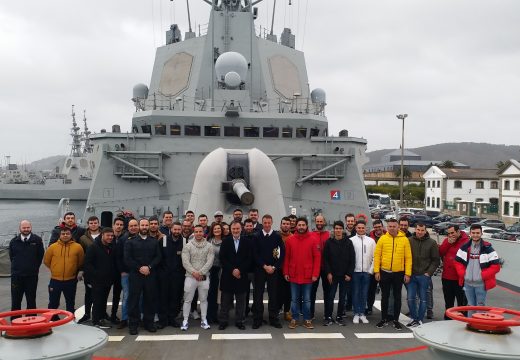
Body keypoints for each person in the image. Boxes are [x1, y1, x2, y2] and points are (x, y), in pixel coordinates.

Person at [124, 218, 162, 335]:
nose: (145, 227)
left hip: (150, 275)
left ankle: (149, 323)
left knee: (150, 299)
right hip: (136, 275)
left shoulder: (154, 241)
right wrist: (140, 268)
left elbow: (158, 257)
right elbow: (127, 259)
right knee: (134, 300)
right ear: (139, 226)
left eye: (146, 225)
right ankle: (133, 324)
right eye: (143, 225)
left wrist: (149, 267)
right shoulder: (130, 241)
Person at [373, 218, 412, 331]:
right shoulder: (382, 239)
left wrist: (407, 274)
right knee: (384, 297)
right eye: (389, 226)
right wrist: (376, 271)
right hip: (384, 272)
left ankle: (396, 320)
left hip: (398, 273)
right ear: (387, 227)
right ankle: (384, 319)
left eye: (394, 226)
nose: (391, 228)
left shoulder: (404, 240)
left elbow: (408, 258)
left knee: (397, 297)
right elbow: (377, 256)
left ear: (397, 227)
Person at [455, 224, 500, 317]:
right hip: (467, 283)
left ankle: (480, 326)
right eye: (473, 233)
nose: (475, 235)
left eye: (478, 233)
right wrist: (463, 273)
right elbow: (457, 262)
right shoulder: (464, 247)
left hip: (481, 284)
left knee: (480, 306)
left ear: (481, 233)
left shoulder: (488, 248)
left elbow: (496, 266)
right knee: (470, 305)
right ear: (470, 233)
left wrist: (482, 276)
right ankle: (471, 325)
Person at [283, 217, 320, 330]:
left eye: (303, 225)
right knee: (294, 299)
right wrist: (286, 272)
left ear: (306, 226)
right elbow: (287, 257)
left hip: (307, 275)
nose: (301, 227)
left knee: (307, 299)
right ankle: (294, 319)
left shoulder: (313, 239)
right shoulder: (290, 240)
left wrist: (315, 274)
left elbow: (317, 258)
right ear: (296, 226)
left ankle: (307, 319)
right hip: (294, 274)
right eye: (299, 225)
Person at [252, 214, 284, 329]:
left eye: (268, 223)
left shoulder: (277, 237)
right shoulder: (256, 236)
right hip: (260, 270)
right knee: (258, 295)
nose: (266, 225)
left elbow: (280, 254)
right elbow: (255, 254)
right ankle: (257, 319)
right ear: (262, 223)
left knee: (273, 295)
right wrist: (265, 266)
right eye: (264, 223)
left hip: (273, 271)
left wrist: (274, 267)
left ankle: (273, 318)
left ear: (271, 223)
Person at [218, 221, 252, 330]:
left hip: (241, 276)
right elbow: (222, 258)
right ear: (230, 229)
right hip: (228, 275)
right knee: (225, 301)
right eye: (233, 229)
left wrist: (239, 270)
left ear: (241, 229)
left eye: (237, 229)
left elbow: (249, 259)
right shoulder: (225, 241)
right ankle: (223, 321)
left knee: (241, 301)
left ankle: (239, 321)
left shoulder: (247, 242)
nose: (235, 231)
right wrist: (232, 270)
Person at [181, 225, 215, 331]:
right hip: (190, 277)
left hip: (204, 277)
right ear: (194, 233)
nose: (198, 233)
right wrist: (194, 273)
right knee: (187, 300)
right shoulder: (187, 246)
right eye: (196, 231)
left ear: (203, 232)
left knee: (204, 299)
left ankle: (204, 320)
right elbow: (185, 261)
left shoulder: (209, 246)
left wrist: (200, 273)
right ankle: (185, 320)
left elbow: (210, 261)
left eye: (200, 231)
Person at [406, 223, 440, 327]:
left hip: (424, 276)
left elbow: (436, 260)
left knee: (423, 299)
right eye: (418, 230)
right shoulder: (409, 241)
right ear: (415, 230)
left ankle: (420, 319)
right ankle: (413, 318)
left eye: (422, 230)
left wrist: (428, 273)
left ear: (425, 231)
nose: (420, 232)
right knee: (410, 298)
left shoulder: (432, 243)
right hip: (411, 275)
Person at [44, 228, 84, 314]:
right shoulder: (52, 247)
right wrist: (55, 269)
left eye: (67, 234)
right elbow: (46, 261)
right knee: (53, 302)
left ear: (71, 235)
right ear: (60, 235)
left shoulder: (78, 247)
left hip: (71, 280)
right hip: (55, 280)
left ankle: (70, 319)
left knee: (70, 302)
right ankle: (52, 318)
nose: (65, 235)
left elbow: (81, 262)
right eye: (63, 234)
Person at [322, 220, 355, 326]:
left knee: (342, 297)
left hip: (344, 275)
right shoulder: (328, 242)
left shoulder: (348, 242)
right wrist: (328, 273)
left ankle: (339, 316)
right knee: (330, 297)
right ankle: (328, 316)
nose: (338, 230)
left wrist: (349, 274)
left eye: (340, 228)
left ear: (343, 230)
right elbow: (325, 260)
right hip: (333, 275)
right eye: (336, 228)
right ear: (334, 229)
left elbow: (352, 259)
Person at [9, 220, 44, 316]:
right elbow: (12, 256)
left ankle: (31, 321)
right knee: (16, 301)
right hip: (17, 277)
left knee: (31, 300)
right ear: (20, 228)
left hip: (31, 276)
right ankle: (15, 321)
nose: (26, 229)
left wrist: (33, 268)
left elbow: (40, 256)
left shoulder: (37, 240)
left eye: (28, 227)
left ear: (31, 228)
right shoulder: (13, 242)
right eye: (24, 228)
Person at [84, 228, 117, 329]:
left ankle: (102, 316)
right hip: (97, 280)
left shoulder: (111, 246)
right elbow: (88, 264)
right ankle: (96, 321)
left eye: (112, 236)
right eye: (108, 235)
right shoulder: (93, 247)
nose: (110, 238)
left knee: (104, 299)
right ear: (102, 235)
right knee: (97, 300)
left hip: (107, 280)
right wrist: (96, 274)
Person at [157, 221, 184, 328]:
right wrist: (161, 273)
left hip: (177, 276)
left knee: (175, 297)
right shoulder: (162, 240)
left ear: (181, 230)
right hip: (164, 275)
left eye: (178, 229)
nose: (176, 231)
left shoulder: (185, 242)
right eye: (175, 229)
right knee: (163, 297)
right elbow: (158, 258)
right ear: (171, 230)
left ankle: (172, 318)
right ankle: (163, 320)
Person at [439, 224, 468, 320]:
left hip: (460, 278)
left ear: (458, 232)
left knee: (462, 303)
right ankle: (448, 320)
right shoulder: (447, 240)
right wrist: (448, 243)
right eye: (449, 233)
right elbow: (441, 252)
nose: (451, 235)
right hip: (447, 277)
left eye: (453, 233)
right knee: (448, 302)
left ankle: (462, 321)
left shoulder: (466, 242)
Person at [77, 216, 102, 324]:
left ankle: (101, 313)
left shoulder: (104, 235)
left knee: (102, 293)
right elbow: (81, 255)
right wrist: (81, 269)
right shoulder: (83, 238)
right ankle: (87, 313)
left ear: (98, 223)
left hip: (102, 269)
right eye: (91, 223)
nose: (93, 225)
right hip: (89, 270)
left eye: (95, 223)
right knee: (89, 293)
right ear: (88, 224)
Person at [350, 220, 375, 324]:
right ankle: (356, 313)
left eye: (362, 228)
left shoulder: (371, 241)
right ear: (356, 228)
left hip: (366, 272)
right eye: (359, 228)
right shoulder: (351, 240)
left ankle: (362, 314)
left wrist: (371, 270)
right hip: (355, 272)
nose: (361, 229)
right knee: (355, 293)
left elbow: (375, 257)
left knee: (364, 293)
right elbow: (349, 257)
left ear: (365, 228)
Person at [115, 218, 139, 329]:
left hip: (139, 273)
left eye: (135, 225)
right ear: (128, 227)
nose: (133, 228)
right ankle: (125, 318)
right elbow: (118, 257)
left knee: (141, 296)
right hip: (127, 273)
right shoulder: (123, 239)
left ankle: (139, 317)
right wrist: (122, 271)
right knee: (127, 296)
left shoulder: (143, 238)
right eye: (131, 226)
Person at [310, 214, 331, 321]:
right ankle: (310, 313)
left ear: (324, 222)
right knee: (312, 292)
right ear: (315, 222)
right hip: (314, 268)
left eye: (320, 221)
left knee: (327, 292)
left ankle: (327, 314)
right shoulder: (311, 234)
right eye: (317, 221)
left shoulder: (329, 234)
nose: (319, 223)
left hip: (326, 268)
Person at [366, 219, 386, 315]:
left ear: (382, 226)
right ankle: (369, 307)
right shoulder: (369, 237)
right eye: (376, 227)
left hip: (385, 268)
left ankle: (386, 309)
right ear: (373, 228)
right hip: (372, 268)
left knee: (385, 290)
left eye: (379, 226)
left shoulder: (388, 236)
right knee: (371, 289)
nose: (378, 228)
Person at [109, 217, 126, 324]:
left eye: (121, 224)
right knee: (104, 294)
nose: (119, 226)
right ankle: (102, 314)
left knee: (117, 295)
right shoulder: (109, 237)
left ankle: (114, 315)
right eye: (117, 224)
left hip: (120, 271)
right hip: (109, 271)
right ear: (113, 225)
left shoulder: (125, 238)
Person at [207, 222, 224, 324]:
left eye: (219, 229)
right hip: (210, 270)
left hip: (221, 270)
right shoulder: (208, 242)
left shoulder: (225, 242)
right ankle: (209, 315)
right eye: (215, 229)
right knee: (210, 294)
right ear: (212, 231)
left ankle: (215, 315)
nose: (217, 230)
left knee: (218, 294)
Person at [278, 216, 293, 321]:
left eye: (287, 224)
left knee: (288, 292)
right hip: (278, 268)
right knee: (277, 291)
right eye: (284, 223)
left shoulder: (293, 237)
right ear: (280, 225)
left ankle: (287, 311)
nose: (286, 225)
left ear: (290, 225)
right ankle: (277, 309)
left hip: (289, 268)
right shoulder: (275, 236)